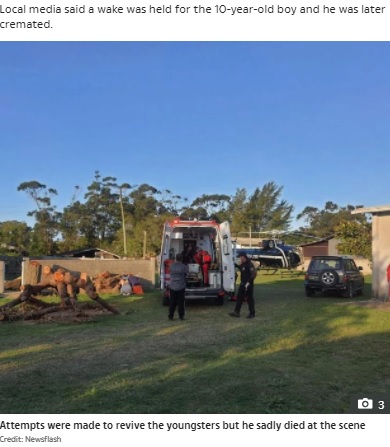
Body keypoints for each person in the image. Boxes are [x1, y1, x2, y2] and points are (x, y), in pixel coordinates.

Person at [229, 251, 257, 318]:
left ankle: (252, 313)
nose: (240, 258)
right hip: (243, 283)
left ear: (243, 256)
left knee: (249, 299)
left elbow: (254, 274)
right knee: (239, 297)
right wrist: (235, 265)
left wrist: (248, 283)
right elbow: (241, 269)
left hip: (248, 284)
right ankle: (236, 312)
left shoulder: (249, 264)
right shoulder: (243, 264)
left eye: (241, 257)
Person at [168, 253, 188, 320]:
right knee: (181, 302)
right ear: (181, 259)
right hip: (181, 287)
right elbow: (186, 274)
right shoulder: (183, 266)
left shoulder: (171, 266)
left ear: (175, 258)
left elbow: (169, 271)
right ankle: (181, 316)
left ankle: (171, 316)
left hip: (173, 286)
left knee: (172, 302)